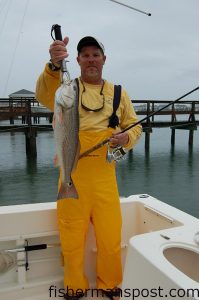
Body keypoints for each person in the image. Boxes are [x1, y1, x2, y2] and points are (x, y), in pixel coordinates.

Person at [35, 35, 142, 300]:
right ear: (78, 60)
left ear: (104, 60)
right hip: (73, 174)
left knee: (110, 237)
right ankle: (74, 286)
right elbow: (42, 95)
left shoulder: (119, 92)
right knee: (71, 239)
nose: (91, 59)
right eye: (85, 55)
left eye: (96, 54)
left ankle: (110, 284)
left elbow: (135, 125)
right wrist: (53, 64)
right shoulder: (65, 89)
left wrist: (126, 138)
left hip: (106, 176)